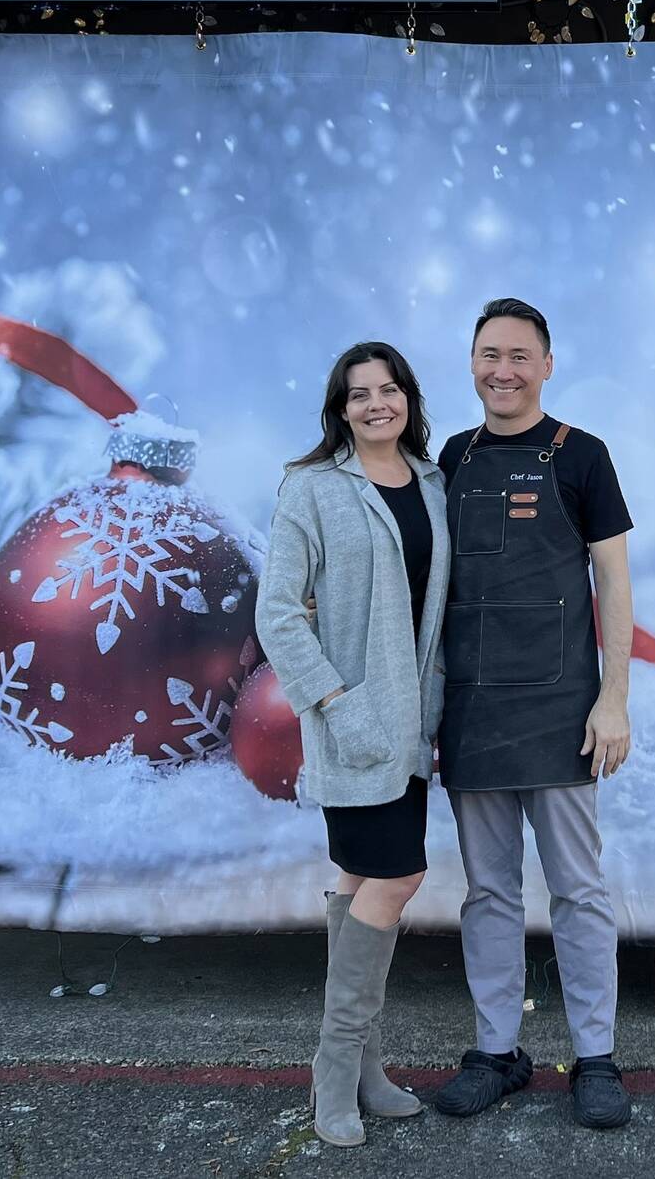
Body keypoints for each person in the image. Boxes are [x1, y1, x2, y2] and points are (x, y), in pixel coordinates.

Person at [429, 297, 637, 1131]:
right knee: (488, 892)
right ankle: (497, 1051)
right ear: (472, 364)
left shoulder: (582, 456)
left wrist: (613, 697)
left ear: (547, 365)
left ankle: (596, 1056)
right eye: (489, 354)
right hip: (474, 710)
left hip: (562, 710)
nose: (502, 370)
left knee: (579, 891)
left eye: (519, 355)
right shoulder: (452, 457)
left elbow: (614, 583)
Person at [254, 342, 450, 1149]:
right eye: (359, 394)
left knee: (359, 876)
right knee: (398, 875)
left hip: (414, 725)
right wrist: (337, 703)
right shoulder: (313, 489)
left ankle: (366, 1072)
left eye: (389, 389)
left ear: (407, 397)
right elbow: (278, 614)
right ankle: (332, 1072)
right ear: (340, 409)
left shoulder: (434, 483)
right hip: (354, 723)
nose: (377, 404)